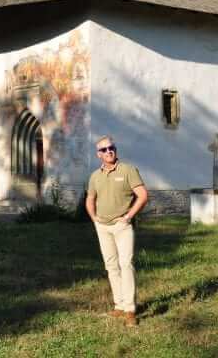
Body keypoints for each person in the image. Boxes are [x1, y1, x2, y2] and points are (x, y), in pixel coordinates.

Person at [85, 135, 148, 327]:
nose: (108, 151)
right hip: (102, 227)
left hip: (122, 226)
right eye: (103, 150)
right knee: (111, 266)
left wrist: (128, 216)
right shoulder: (95, 176)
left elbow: (142, 195)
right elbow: (90, 198)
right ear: (98, 154)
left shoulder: (128, 170)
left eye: (111, 148)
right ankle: (119, 305)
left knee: (126, 264)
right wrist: (94, 218)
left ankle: (130, 310)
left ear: (115, 149)